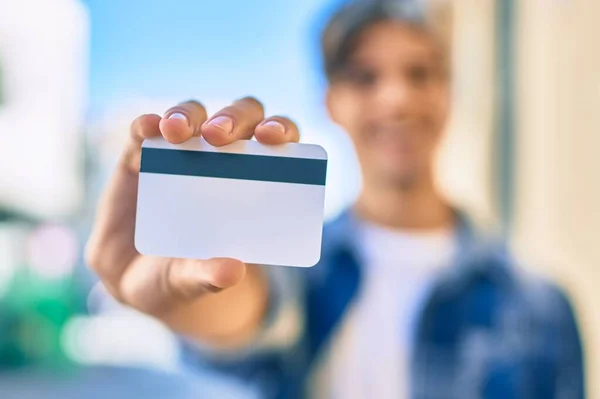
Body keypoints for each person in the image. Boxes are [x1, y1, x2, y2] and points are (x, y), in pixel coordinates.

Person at [86, 0, 585, 398]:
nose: (396, 98)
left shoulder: (541, 307)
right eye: (366, 77)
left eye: (420, 73)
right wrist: (172, 297)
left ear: (448, 92)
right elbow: (249, 313)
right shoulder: (305, 272)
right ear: (332, 102)